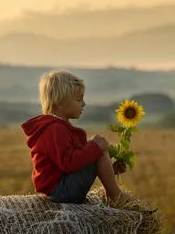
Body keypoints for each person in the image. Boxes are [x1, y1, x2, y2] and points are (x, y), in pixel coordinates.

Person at [21, 69, 126, 203]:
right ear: (59, 102)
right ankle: (116, 197)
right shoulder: (55, 129)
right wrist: (95, 149)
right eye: (79, 99)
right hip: (61, 191)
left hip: (62, 187)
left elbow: (80, 163)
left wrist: (110, 170)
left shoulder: (57, 127)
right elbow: (69, 164)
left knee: (96, 145)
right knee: (97, 144)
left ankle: (112, 192)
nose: (83, 104)